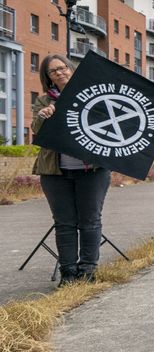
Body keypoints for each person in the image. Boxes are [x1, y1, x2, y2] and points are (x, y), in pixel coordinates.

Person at [31, 54, 111, 286]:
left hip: (92, 169)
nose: (60, 73)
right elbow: (37, 128)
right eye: (53, 71)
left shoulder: (94, 95)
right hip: (55, 171)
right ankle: (68, 272)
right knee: (64, 222)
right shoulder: (44, 101)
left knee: (90, 221)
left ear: (71, 69)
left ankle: (87, 270)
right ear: (48, 78)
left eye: (63, 67)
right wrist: (44, 116)